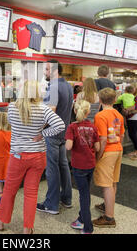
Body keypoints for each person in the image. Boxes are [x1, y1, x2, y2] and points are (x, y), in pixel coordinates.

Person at [0, 81, 65, 233]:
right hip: (38, 157)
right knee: (31, 193)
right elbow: (60, 125)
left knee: (9, 190)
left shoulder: (12, 108)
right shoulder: (43, 109)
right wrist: (42, 134)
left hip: (18, 156)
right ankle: (27, 229)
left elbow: (13, 126)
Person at [37, 60, 73, 215]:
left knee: (52, 168)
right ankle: (66, 199)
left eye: (46, 69)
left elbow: (50, 111)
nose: (44, 72)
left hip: (52, 133)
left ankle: (51, 204)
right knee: (63, 166)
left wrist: (39, 131)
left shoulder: (53, 87)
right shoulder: (68, 86)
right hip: (63, 132)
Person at [65, 100, 100, 234]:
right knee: (86, 192)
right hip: (90, 164)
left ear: (74, 111)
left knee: (83, 195)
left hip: (78, 165)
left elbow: (68, 146)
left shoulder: (72, 127)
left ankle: (87, 227)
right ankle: (81, 219)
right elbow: (97, 147)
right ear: (89, 112)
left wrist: (68, 138)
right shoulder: (93, 127)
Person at [92, 88, 124, 228]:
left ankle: (109, 218)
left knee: (106, 185)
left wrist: (98, 156)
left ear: (100, 100)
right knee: (113, 181)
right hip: (118, 149)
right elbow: (121, 135)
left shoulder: (100, 116)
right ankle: (107, 205)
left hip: (107, 151)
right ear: (115, 100)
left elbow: (103, 139)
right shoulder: (119, 115)